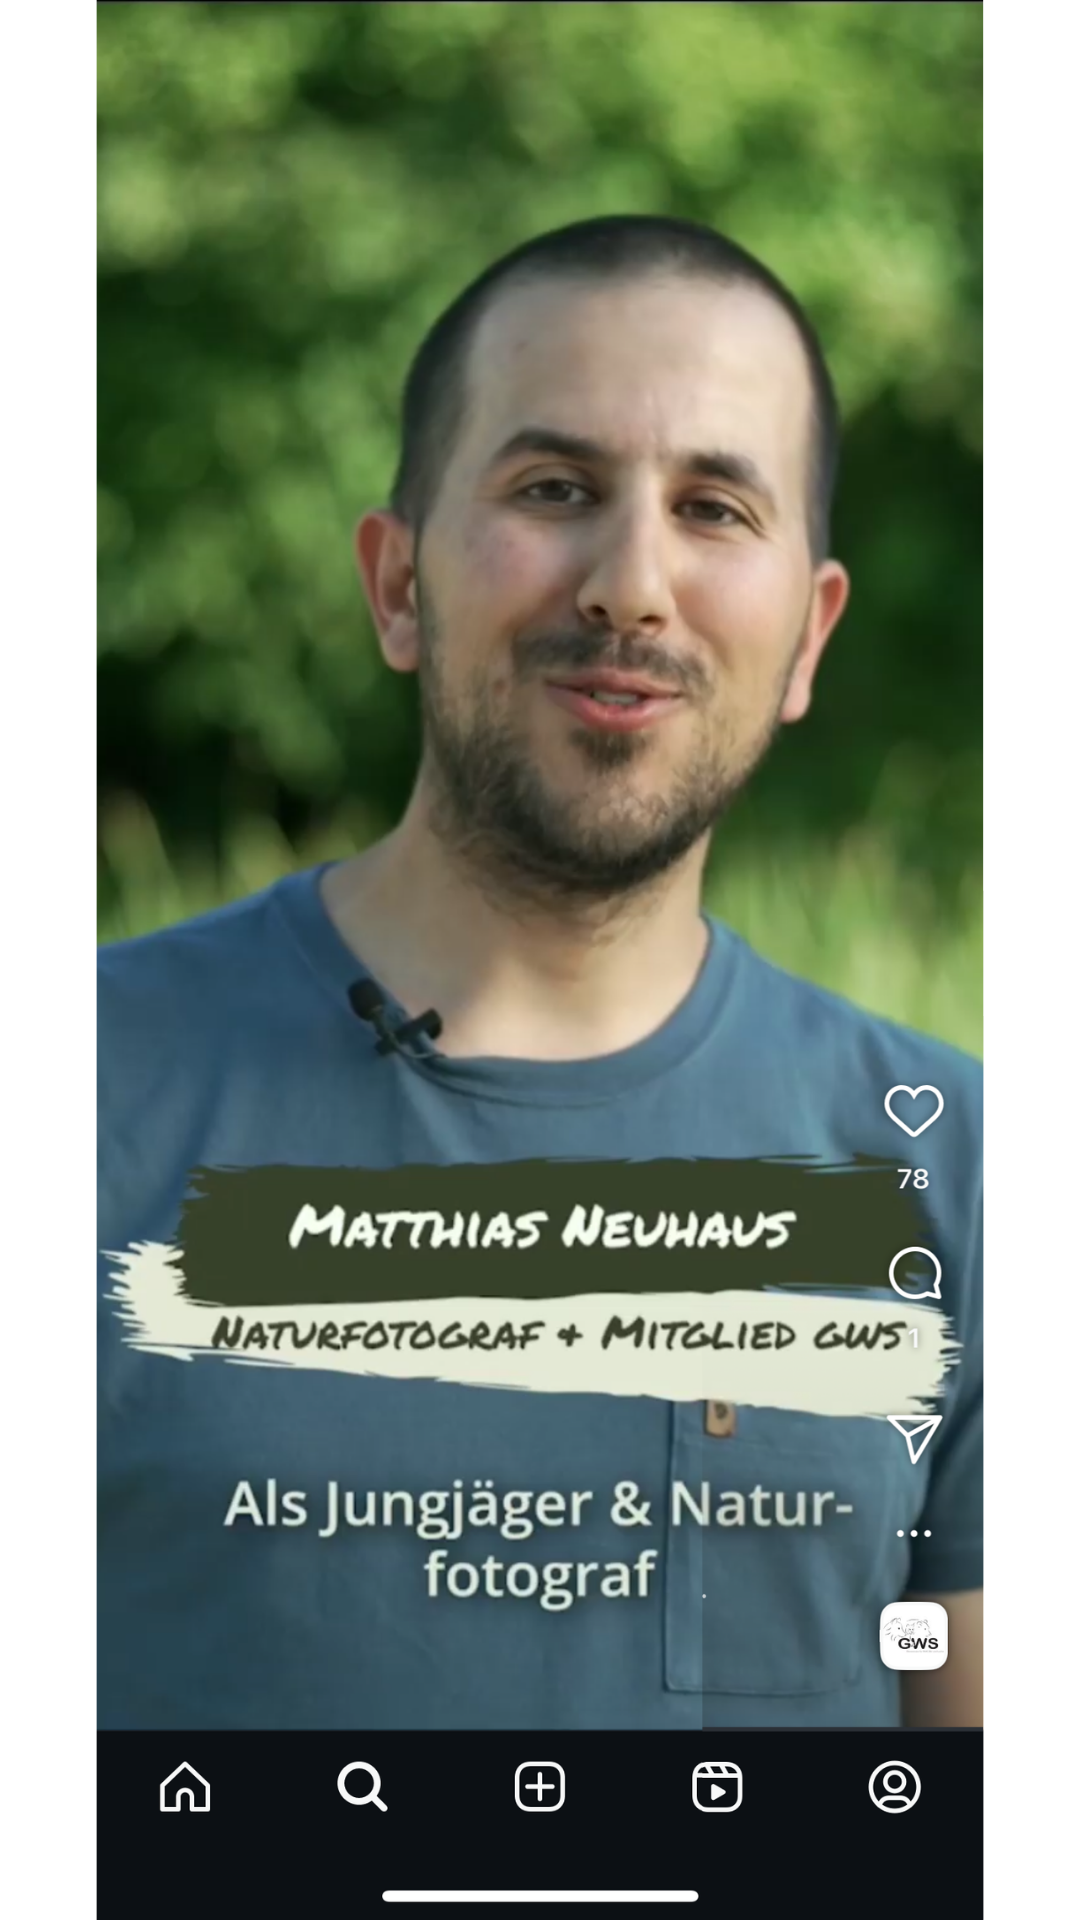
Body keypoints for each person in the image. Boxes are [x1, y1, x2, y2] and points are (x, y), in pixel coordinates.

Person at [98, 214, 982, 1731]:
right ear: (397, 584)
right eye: (555, 488)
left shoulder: (960, 1174)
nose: (632, 583)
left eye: (715, 508)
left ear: (808, 641)